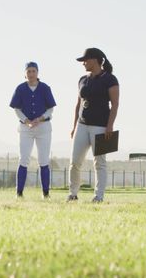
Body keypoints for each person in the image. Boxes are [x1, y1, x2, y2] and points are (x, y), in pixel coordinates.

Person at [68, 48, 119, 203]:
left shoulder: (110, 79)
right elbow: (78, 104)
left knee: (99, 162)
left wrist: (109, 126)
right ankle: (73, 194)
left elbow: (115, 104)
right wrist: (74, 126)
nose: (83, 63)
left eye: (86, 60)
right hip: (82, 126)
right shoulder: (82, 79)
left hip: (100, 126)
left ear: (95, 60)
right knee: (75, 162)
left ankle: (99, 196)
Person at [9, 61, 57, 198]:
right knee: (23, 159)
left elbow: (50, 109)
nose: (31, 74)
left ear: (37, 73)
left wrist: (40, 118)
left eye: (33, 71)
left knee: (43, 160)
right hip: (26, 128)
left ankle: (45, 193)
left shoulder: (45, 88)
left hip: (43, 127)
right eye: (28, 71)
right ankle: (19, 193)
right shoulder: (20, 89)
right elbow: (17, 109)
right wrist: (26, 121)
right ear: (25, 73)